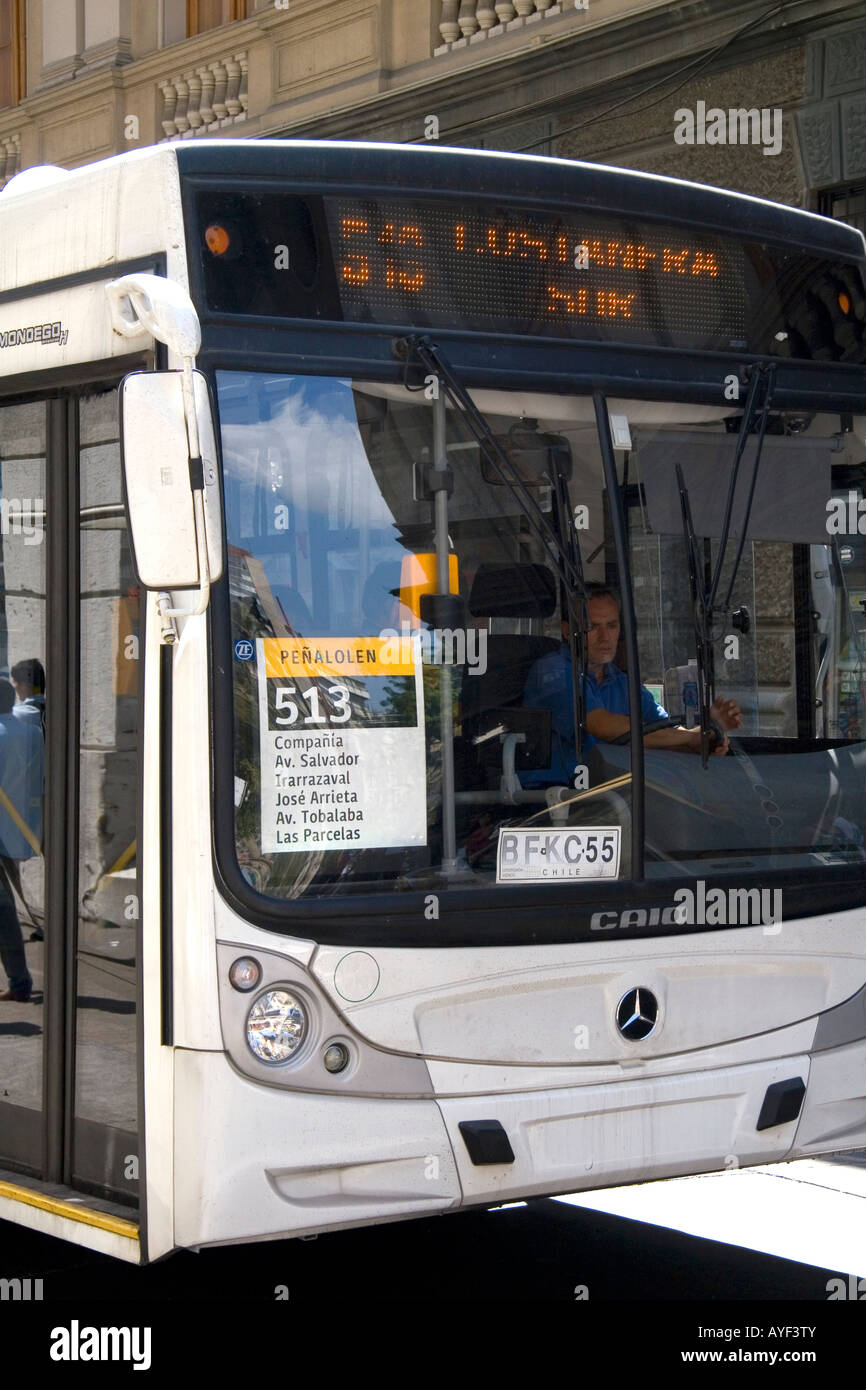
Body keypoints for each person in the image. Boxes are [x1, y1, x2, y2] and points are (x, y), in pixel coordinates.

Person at [522, 585, 742, 784]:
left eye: (612, 625)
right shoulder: (552, 672)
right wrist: (692, 737)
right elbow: (601, 726)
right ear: (568, 632)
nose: (605, 637)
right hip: (554, 801)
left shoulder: (621, 682)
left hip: (611, 794)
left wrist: (708, 736)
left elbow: (661, 732)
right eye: (592, 627)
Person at [0, 679, 43, 1002]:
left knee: (4, 911)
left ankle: (19, 982)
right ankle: (19, 981)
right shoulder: (31, 732)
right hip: (16, 829)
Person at [11, 657, 46, 735]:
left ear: (24, 686)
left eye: (15, 682)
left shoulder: (17, 713)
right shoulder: (53, 711)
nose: (15, 687)